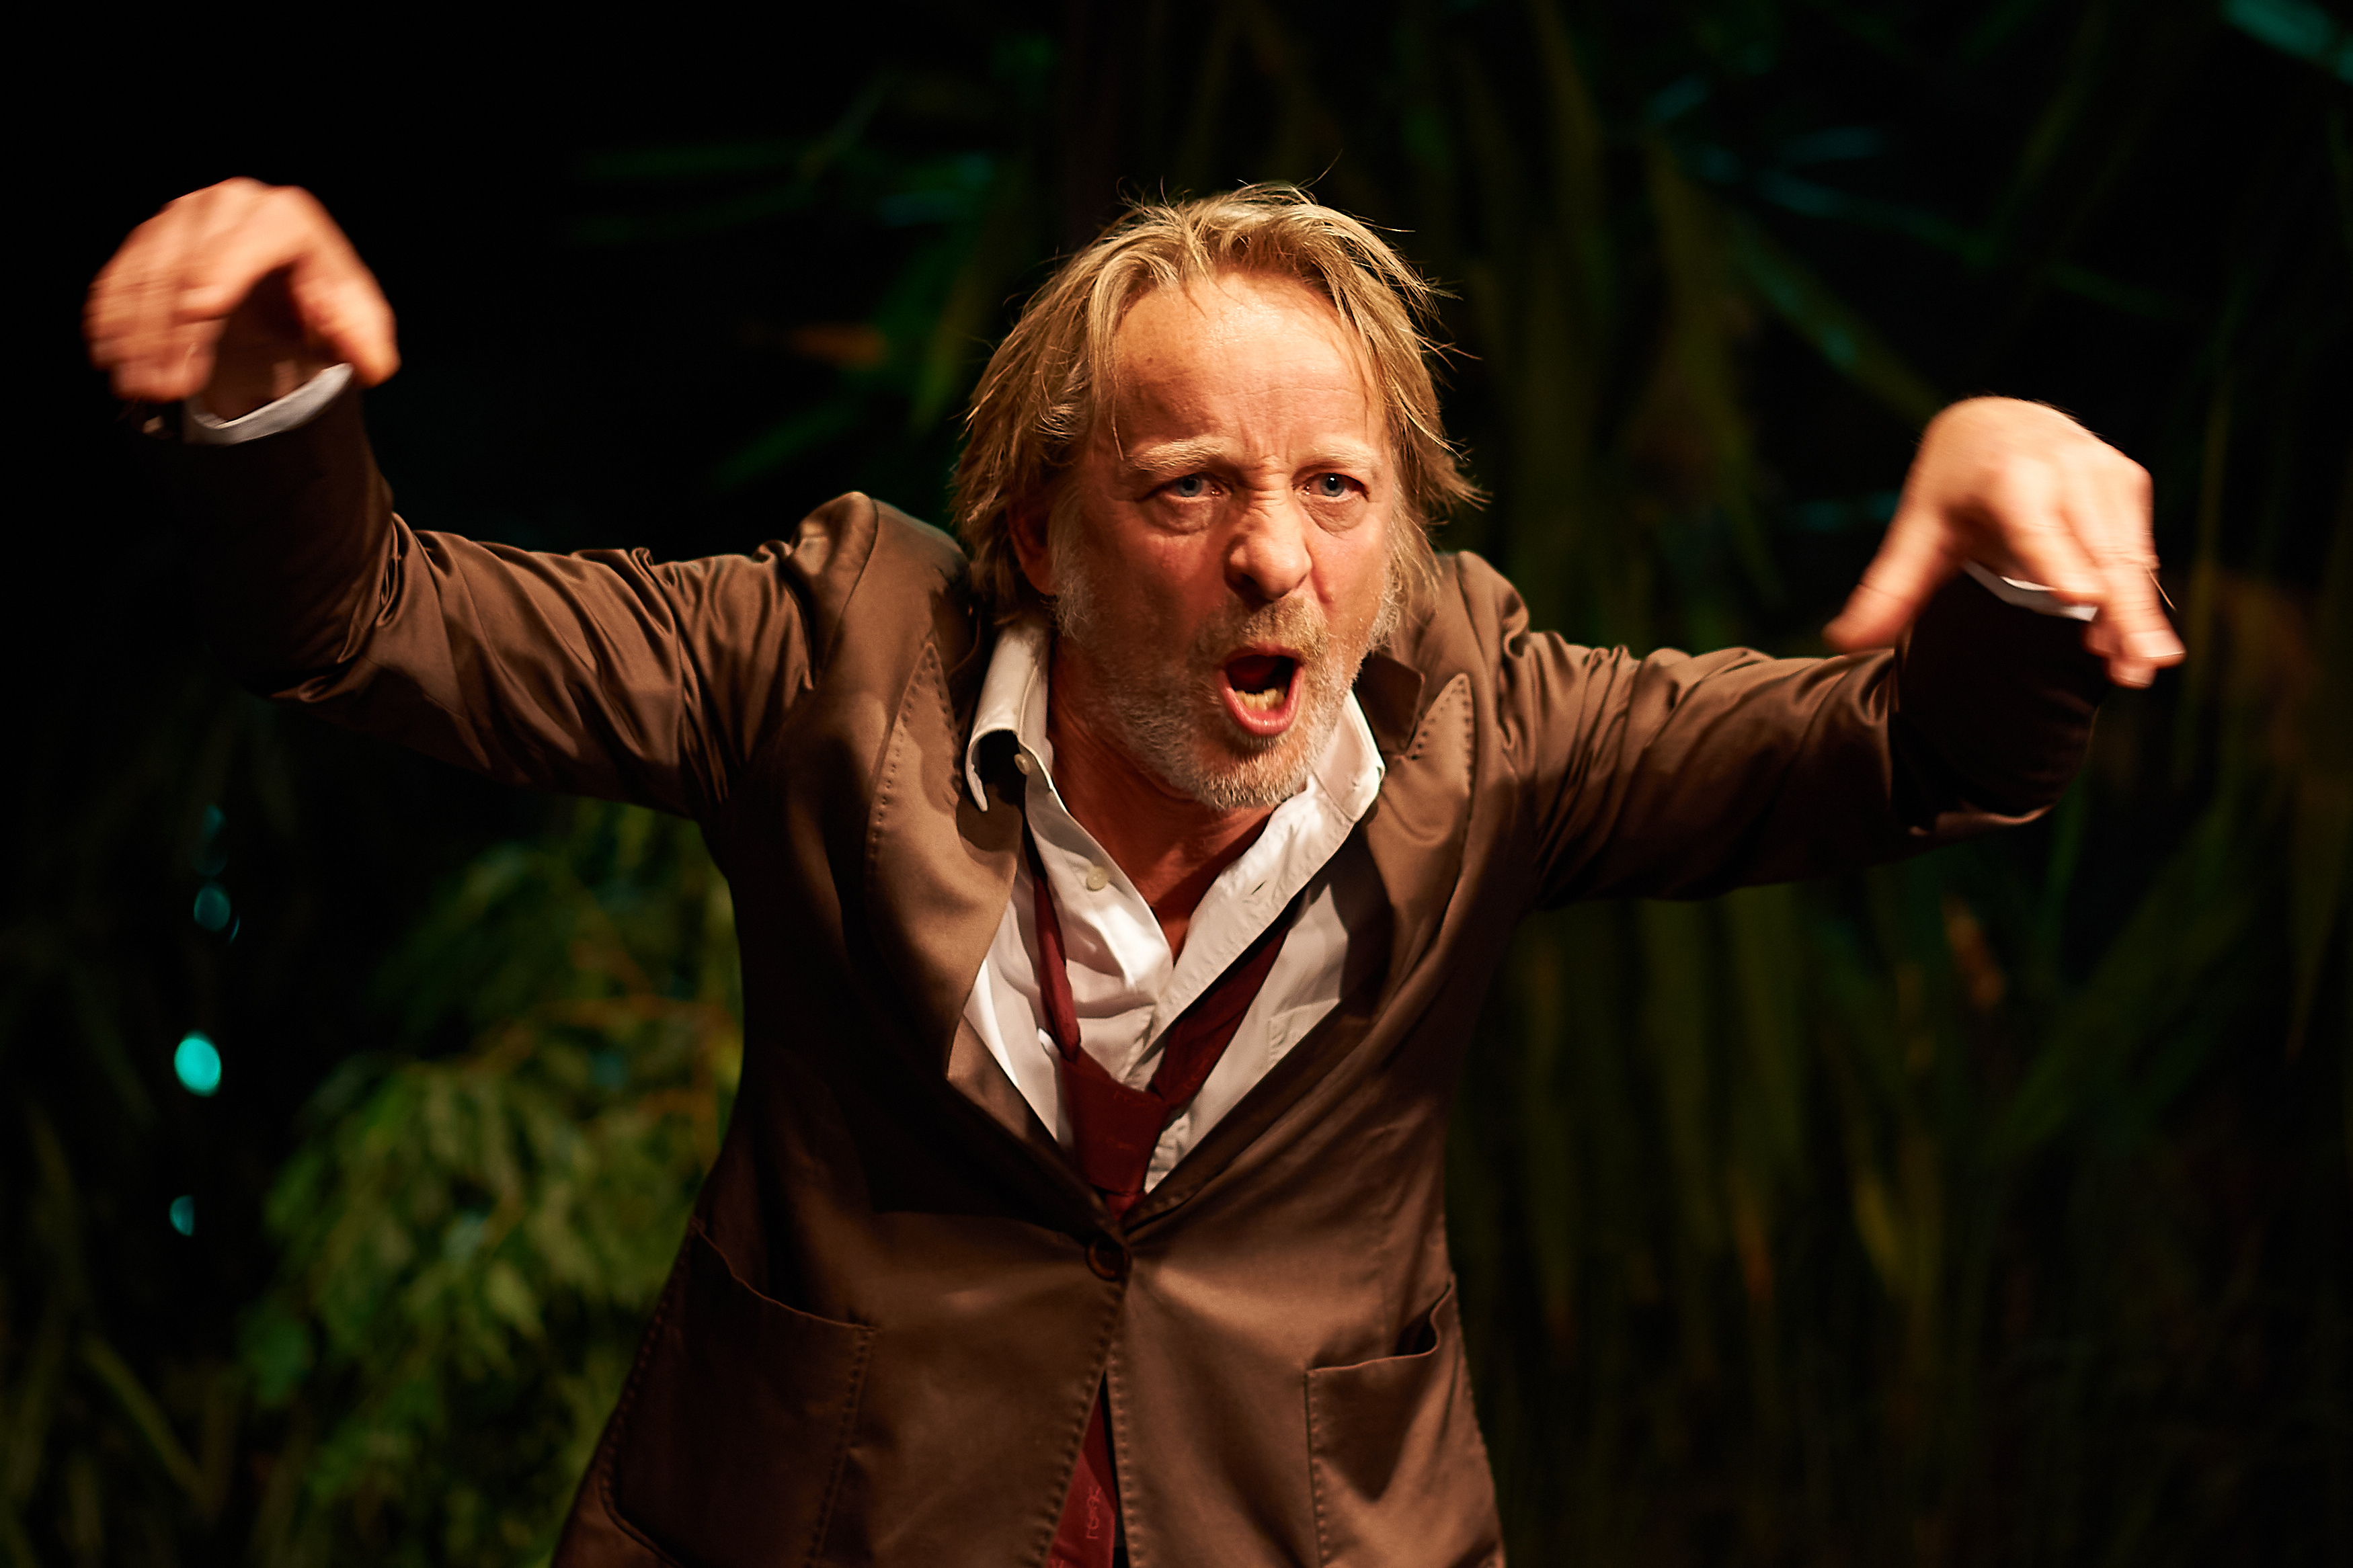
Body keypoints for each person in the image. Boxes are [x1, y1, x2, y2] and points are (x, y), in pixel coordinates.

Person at [87, 177, 2180, 1568]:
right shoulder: (820, 663)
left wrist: (2010, 542)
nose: (1275, 557)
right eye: (1187, 489)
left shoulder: (1482, 721)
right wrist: (267, 406)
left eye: (1337, 492)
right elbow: (360, 619)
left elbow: (1919, 755)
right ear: (1038, 534)